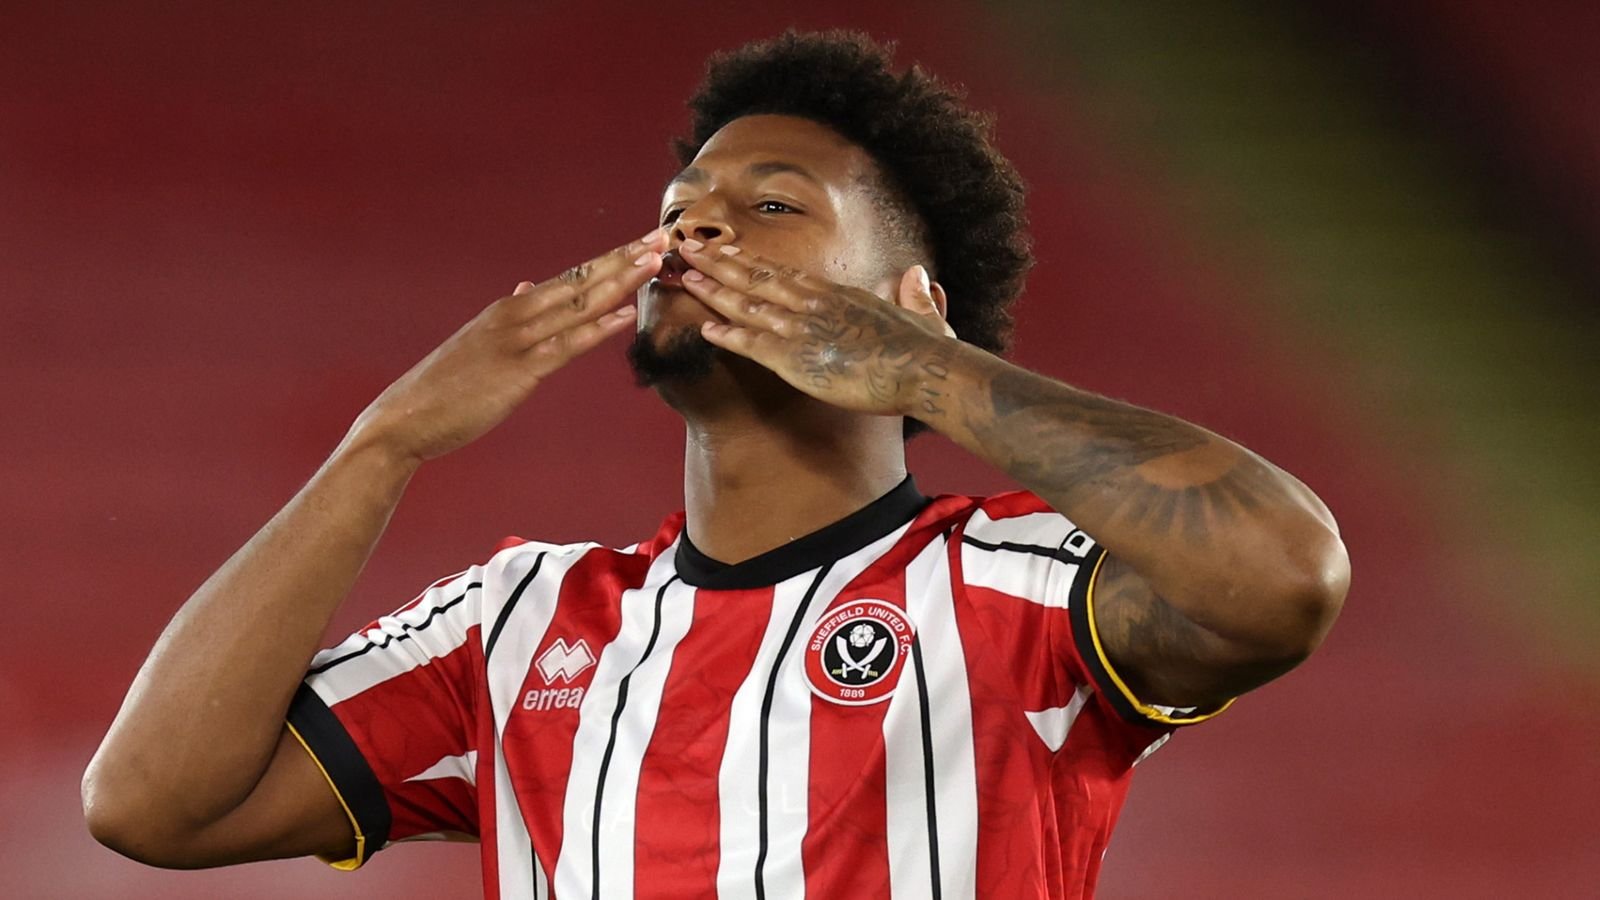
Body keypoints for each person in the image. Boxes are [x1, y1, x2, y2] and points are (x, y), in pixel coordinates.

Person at [82, 30, 1348, 899]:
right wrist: (384, 445)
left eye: (773, 205)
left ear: (910, 296)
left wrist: (924, 369)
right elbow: (151, 807)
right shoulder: (517, 627)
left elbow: (1284, 575)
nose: (695, 226)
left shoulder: (1013, 591)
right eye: (681, 204)